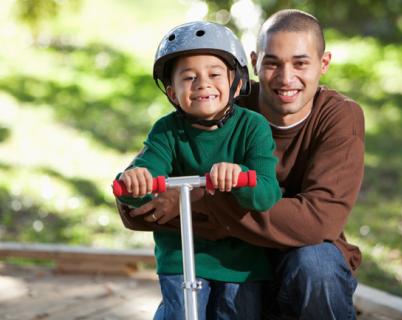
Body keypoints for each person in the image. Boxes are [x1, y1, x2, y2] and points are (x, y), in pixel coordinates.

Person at [117, 9, 365, 320]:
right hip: (225, 262)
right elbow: (136, 205)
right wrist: (139, 188)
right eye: (272, 63)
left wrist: (194, 200)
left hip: (297, 262)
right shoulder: (219, 102)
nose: (286, 78)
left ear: (323, 63)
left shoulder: (339, 117)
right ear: (254, 62)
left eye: (300, 63)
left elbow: (317, 222)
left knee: (317, 264)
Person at [114, 21, 281, 320]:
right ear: (172, 93)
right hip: (181, 257)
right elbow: (145, 176)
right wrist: (136, 181)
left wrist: (240, 176)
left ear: (237, 83)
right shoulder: (166, 132)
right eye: (189, 77)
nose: (202, 83)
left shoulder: (252, 127)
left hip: (242, 261)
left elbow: (266, 193)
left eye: (214, 74)